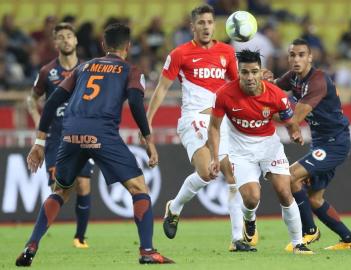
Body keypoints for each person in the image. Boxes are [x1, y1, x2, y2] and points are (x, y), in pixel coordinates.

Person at [15, 23, 174, 267]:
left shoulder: (82, 67)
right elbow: (134, 101)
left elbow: (52, 100)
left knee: (60, 191)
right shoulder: (130, 69)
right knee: (139, 188)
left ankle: (31, 245)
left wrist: (39, 142)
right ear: (128, 46)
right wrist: (148, 138)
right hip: (102, 133)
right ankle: (148, 250)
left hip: (70, 135)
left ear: (103, 45)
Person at [146, 4, 252, 252]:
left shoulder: (226, 52)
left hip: (219, 120)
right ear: (192, 26)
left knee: (232, 175)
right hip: (193, 118)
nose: (206, 27)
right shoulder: (180, 54)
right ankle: (175, 207)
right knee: (207, 172)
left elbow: (238, 86)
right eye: (201, 23)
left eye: (209, 22)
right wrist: (147, 120)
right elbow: (161, 88)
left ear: (214, 25)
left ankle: (237, 240)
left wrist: (256, 81)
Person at [208, 49, 313, 255]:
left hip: (269, 147)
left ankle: (298, 243)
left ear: (260, 71)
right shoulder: (224, 95)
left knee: (284, 191)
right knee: (251, 198)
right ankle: (249, 219)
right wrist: (215, 157)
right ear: (238, 72)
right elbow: (213, 127)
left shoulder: (276, 95)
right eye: (245, 73)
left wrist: (295, 133)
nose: (249, 77)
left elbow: (290, 121)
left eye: (254, 72)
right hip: (240, 151)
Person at [275, 38, 351, 251]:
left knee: (291, 175)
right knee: (315, 199)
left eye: (301, 55)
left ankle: (309, 232)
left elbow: (294, 117)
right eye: (292, 55)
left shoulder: (318, 81)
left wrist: (268, 114)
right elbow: (273, 89)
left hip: (335, 144)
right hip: (321, 144)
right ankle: (350, 240)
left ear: (310, 58)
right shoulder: (293, 77)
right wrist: (262, 81)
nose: (296, 59)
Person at [26, 22, 93, 249]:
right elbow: (31, 99)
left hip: (82, 135)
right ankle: (36, 239)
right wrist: (39, 123)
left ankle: (80, 237)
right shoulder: (47, 72)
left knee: (84, 185)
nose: (65, 40)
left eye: (69, 36)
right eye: (61, 37)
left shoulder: (88, 69)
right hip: (56, 139)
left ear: (76, 40)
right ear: (55, 43)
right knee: (60, 188)